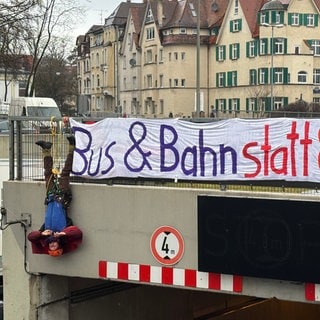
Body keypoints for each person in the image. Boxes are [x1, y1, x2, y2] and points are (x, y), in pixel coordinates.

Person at [28, 136, 83, 257]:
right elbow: (77, 233)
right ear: (59, 245)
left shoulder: (45, 234)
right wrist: (64, 234)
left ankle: (46, 150)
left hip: (51, 197)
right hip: (62, 197)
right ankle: (72, 147)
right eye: (54, 247)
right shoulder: (65, 232)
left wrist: (42, 234)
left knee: (48, 174)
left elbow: (31, 237)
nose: (52, 246)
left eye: (51, 247)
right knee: (65, 173)